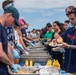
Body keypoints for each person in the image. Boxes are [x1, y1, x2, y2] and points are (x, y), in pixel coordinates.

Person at [0, 6, 21, 75]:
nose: (13, 25)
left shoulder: (3, 28)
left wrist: (11, 62)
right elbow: (0, 53)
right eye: (14, 22)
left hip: (3, 69)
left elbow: (5, 46)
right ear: (9, 15)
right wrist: (11, 64)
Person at [61, 8, 76, 73]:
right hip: (68, 64)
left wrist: (69, 46)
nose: (70, 21)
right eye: (69, 19)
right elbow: (61, 38)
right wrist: (56, 39)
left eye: (72, 19)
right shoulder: (70, 29)